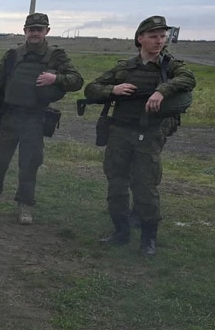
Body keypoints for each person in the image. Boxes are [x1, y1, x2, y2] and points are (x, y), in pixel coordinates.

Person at [84, 16, 196, 255]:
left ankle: (148, 239)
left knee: (145, 186)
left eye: (162, 36)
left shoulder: (170, 66)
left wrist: (161, 90)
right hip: (120, 132)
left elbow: (189, 79)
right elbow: (91, 88)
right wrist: (112, 89)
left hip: (150, 133)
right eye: (154, 36)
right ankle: (121, 231)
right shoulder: (125, 67)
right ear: (140, 39)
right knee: (116, 183)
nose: (159, 41)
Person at [0, 13, 83, 224]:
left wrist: (55, 78)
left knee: (29, 163)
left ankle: (24, 205)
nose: (35, 33)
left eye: (40, 29)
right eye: (31, 29)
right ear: (25, 31)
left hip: (35, 118)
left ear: (47, 31)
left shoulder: (56, 55)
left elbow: (77, 81)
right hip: (9, 116)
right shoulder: (13, 54)